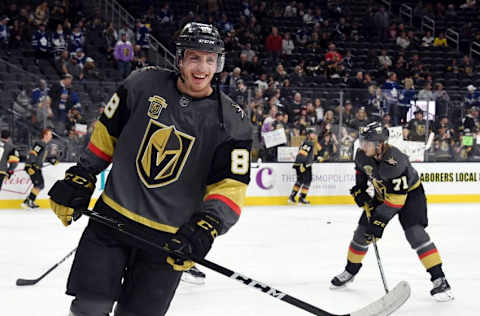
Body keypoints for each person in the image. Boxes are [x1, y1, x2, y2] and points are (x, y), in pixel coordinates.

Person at [48, 22, 253, 316]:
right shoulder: (142, 84)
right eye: (194, 57)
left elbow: (230, 186)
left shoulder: (232, 122)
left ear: (218, 63)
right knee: (89, 309)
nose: (202, 67)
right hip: (111, 221)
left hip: (167, 241)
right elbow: (107, 134)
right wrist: (82, 175)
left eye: (210, 59)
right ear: (180, 59)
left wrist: (207, 226)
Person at [330, 122, 453, 302]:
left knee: (415, 233)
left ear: (380, 144)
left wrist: (379, 223)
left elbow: (396, 201)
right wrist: (360, 189)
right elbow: (362, 170)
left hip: (410, 196)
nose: (363, 145)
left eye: (368, 142)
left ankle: (439, 279)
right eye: (362, 141)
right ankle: (350, 272)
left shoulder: (395, 161)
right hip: (384, 192)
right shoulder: (362, 154)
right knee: (362, 234)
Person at [22, 128, 58, 209]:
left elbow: (41, 157)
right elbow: (33, 153)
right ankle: (29, 201)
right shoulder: (40, 143)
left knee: (40, 185)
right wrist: (32, 165)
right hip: (32, 167)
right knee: (39, 184)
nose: (51, 136)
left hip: (36, 167)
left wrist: (51, 160)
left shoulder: (44, 145)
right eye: (50, 134)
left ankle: (28, 200)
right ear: (45, 135)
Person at [288, 129, 317, 205]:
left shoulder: (305, 142)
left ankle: (292, 197)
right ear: (308, 135)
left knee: (300, 180)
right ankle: (302, 198)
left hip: (300, 164)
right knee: (308, 180)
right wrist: (303, 164)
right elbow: (302, 154)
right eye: (312, 134)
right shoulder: (309, 143)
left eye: (314, 134)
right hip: (304, 164)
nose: (314, 135)